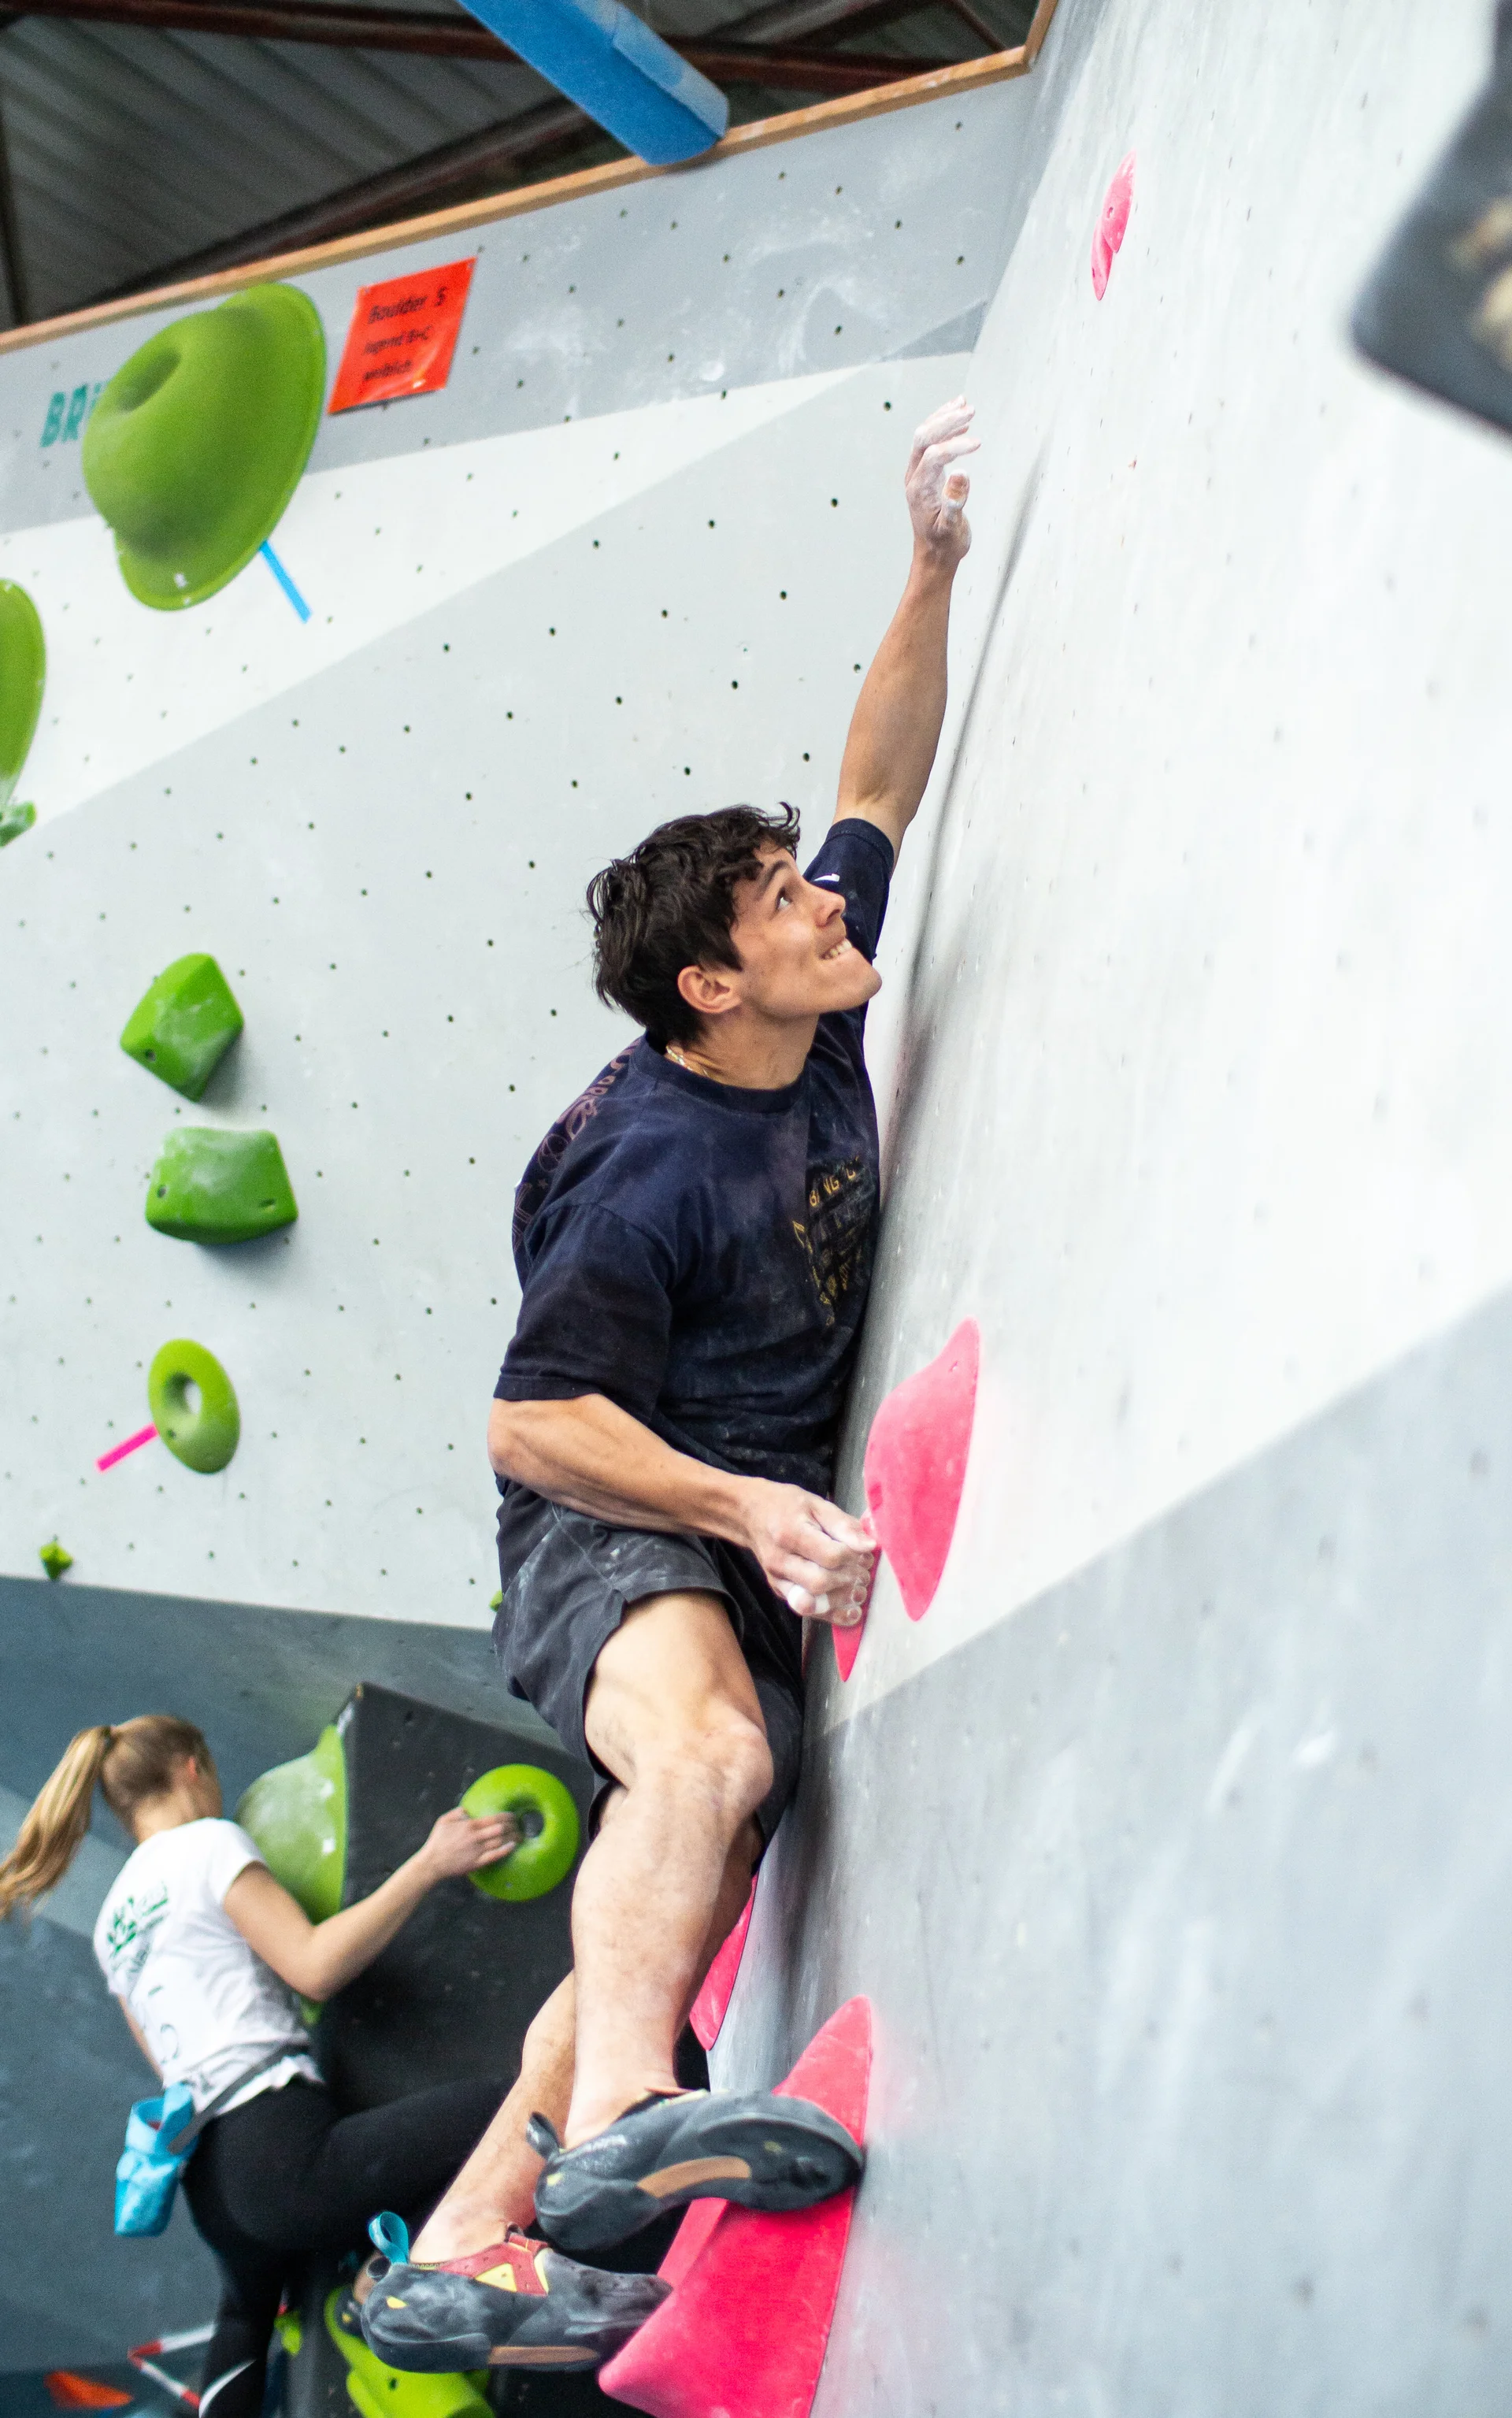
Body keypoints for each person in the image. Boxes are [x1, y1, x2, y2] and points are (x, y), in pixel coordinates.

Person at [361, 395, 979, 2373]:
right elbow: (529, 1424)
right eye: (790, 903)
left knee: (678, 1855)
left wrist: (931, 563)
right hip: (605, 1515)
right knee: (703, 1769)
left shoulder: (791, 1007)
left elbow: (881, 772)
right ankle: (626, 2133)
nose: (830, 904)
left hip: (727, 1513)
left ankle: (469, 2244)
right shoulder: (651, 1169)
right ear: (715, 982)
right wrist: (736, 1504)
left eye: (812, 887)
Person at [0, 1716, 669, 2407]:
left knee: (244, 2322)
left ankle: (369, 2287)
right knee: (502, 2117)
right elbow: (313, 1966)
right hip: (280, 2148)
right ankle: (382, 2281)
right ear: (192, 1768)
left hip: (210, 2182)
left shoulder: (113, 1922)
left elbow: (171, 2059)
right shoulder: (206, 1845)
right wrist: (430, 1863)